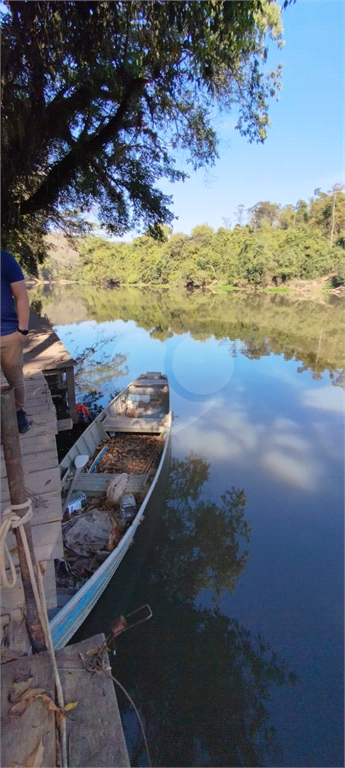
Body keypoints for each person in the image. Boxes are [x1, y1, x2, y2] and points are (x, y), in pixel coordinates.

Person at [1, 249, 30, 433]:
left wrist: (22, 330)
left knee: (15, 378)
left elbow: (21, 296)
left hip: (8, 334)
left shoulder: (5, 259)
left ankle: (18, 412)